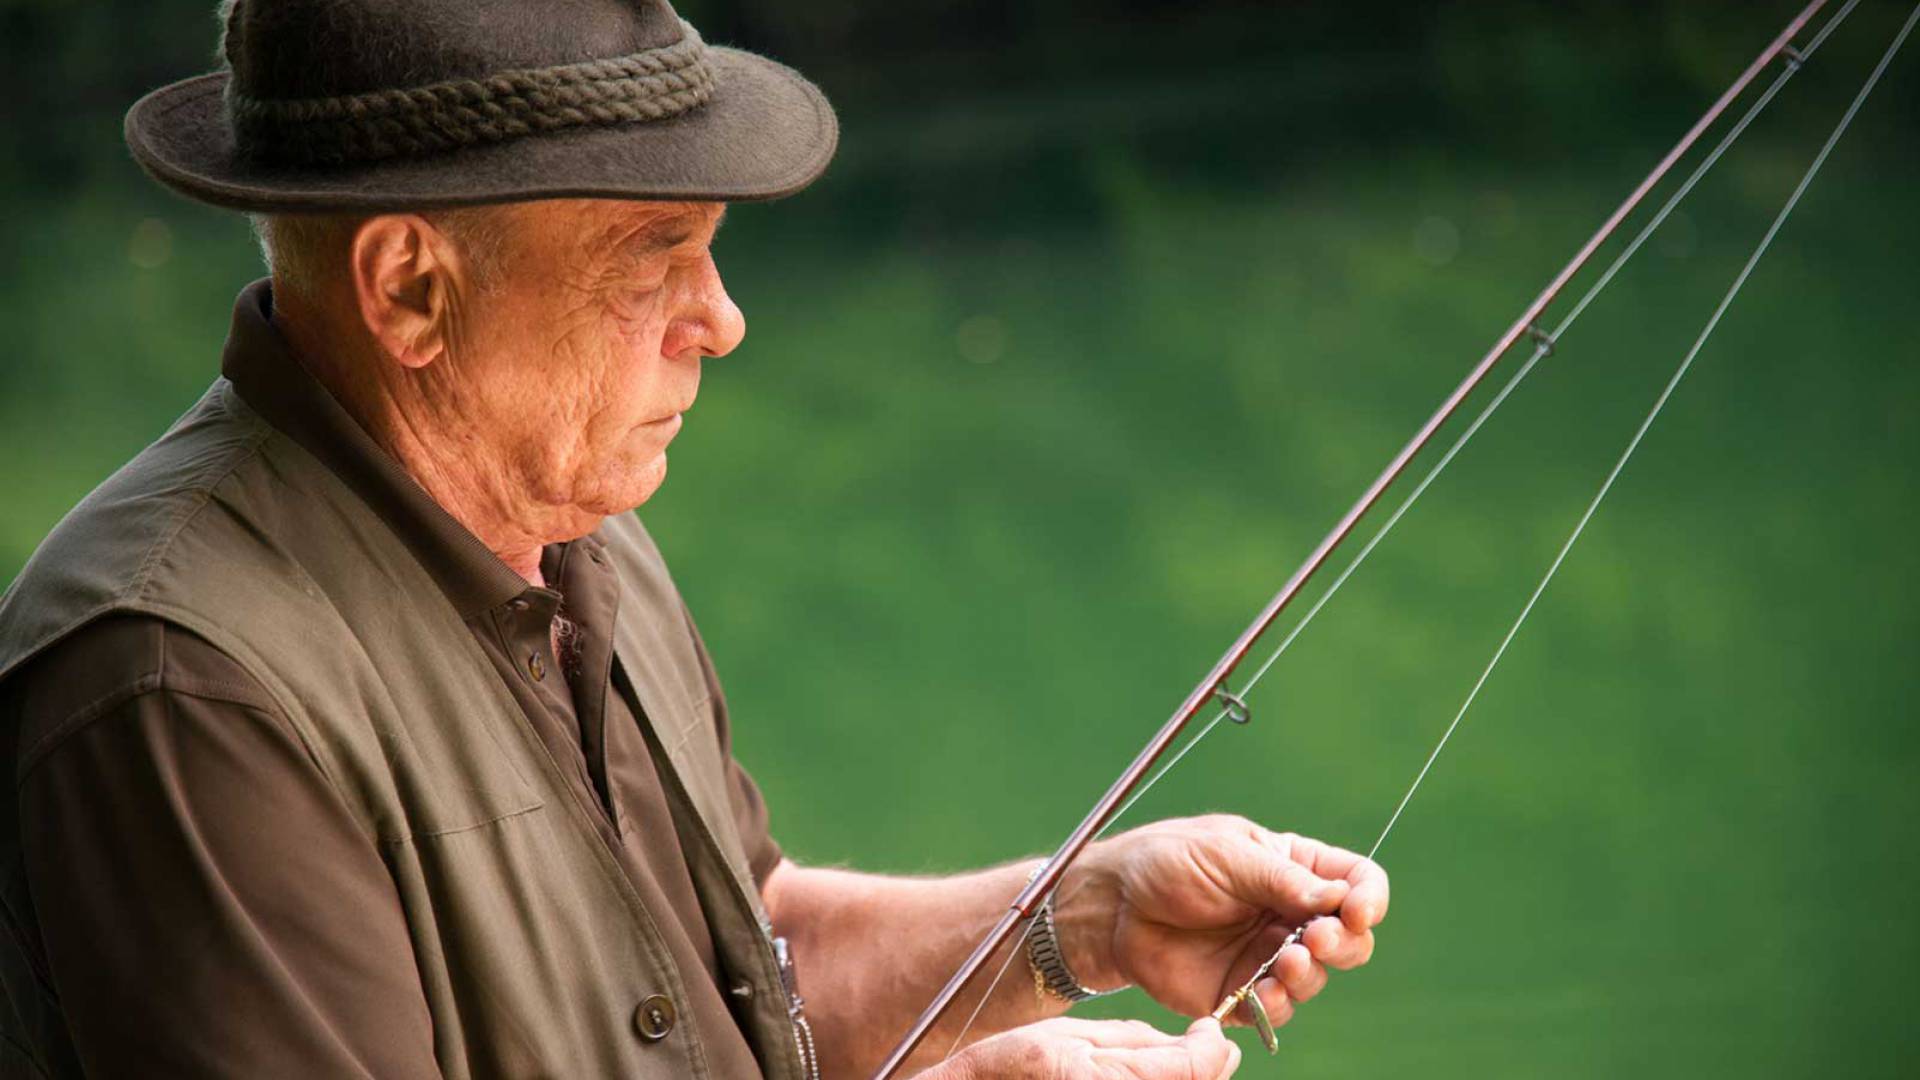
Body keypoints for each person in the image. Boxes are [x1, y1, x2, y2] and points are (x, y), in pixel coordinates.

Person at [0, 1, 1388, 1077]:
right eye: (654, 257)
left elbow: (750, 967)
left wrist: (1074, 920)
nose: (719, 317)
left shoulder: (574, 523)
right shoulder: (180, 682)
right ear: (412, 289)